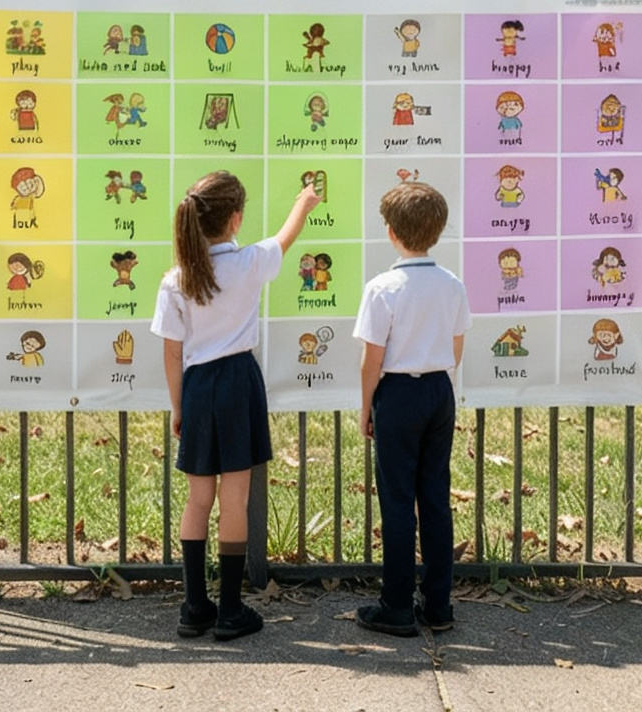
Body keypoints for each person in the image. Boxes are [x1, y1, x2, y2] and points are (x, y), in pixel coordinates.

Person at [151, 171, 321, 641]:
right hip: (239, 382)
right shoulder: (248, 263)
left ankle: (193, 606)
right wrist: (303, 202)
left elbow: (171, 352)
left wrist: (178, 406)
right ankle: (229, 608)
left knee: (197, 497)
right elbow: (286, 238)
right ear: (236, 219)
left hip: (198, 385)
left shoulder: (176, 279)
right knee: (234, 498)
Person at [353, 182, 471, 638]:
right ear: (438, 231)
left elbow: (372, 359)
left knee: (398, 500)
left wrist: (366, 407)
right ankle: (439, 604)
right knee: (435, 498)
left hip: (397, 394)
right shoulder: (452, 285)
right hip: (439, 390)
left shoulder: (383, 288)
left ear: (391, 232)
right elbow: (456, 346)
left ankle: (397, 604)